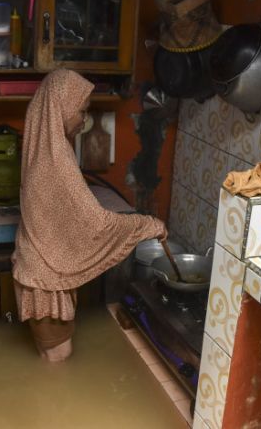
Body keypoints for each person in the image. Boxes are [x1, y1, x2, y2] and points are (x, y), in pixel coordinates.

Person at [12, 69, 167, 362]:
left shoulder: (42, 148)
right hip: (45, 280)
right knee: (59, 356)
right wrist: (149, 224)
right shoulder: (57, 162)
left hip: (38, 270)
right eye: (81, 111)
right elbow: (98, 225)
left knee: (48, 357)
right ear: (62, 109)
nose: (84, 120)